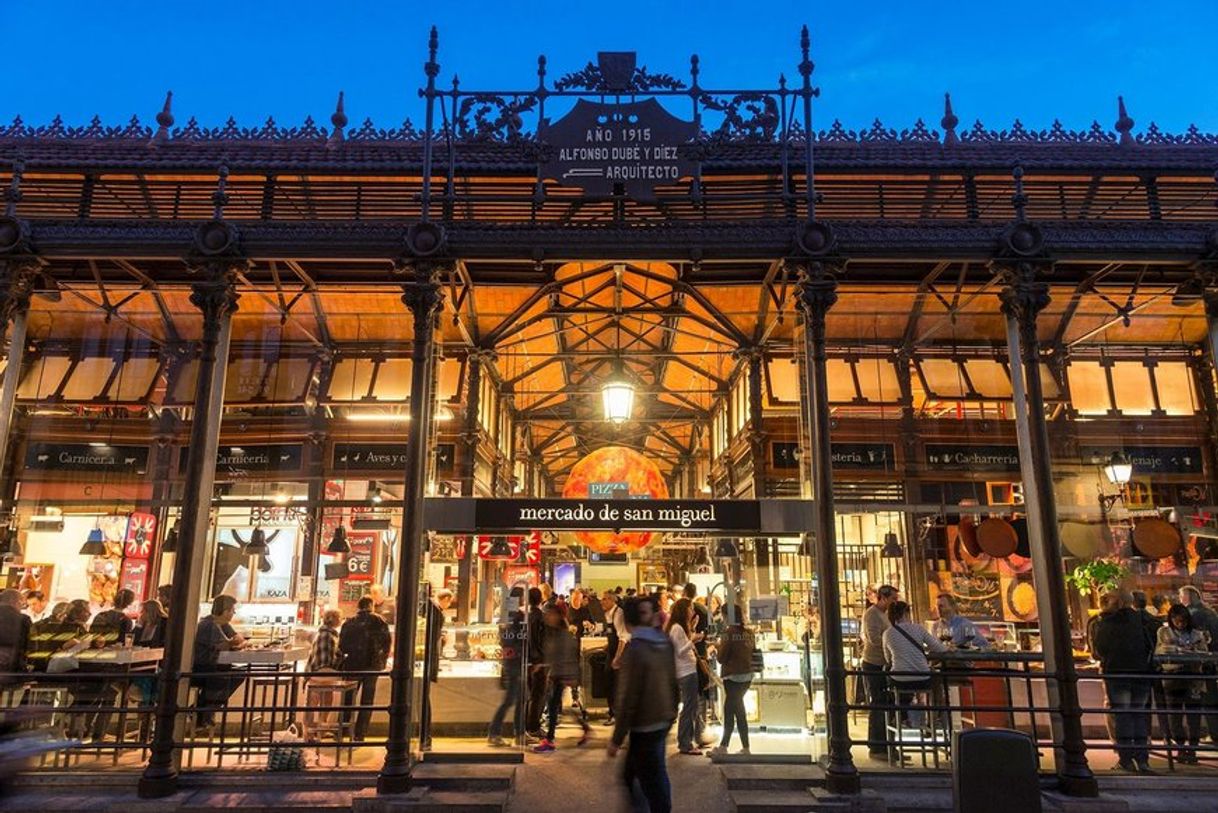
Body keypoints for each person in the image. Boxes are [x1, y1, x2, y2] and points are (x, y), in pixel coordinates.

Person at [608, 596, 678, 813]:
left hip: (644, 724)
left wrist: (617, 738)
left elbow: (628, 697)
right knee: (644, 773)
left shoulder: (636, 650)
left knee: (650, 778)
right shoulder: (664, 642)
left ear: (627, 623)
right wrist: (672, 712)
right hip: (662, 718)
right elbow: (673, 681)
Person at [1092, 589, 1155, 773]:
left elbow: (1100, 648)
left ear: (1117, 602)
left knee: (1122, 715)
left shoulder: (1107, 622)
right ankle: (1142, 759)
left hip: (1117, 672)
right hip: (1141, 673)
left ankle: (1126, 759)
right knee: (1139, 715)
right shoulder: (1143, 620)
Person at [1156, 603, 1211, 763]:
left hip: (1193, 678)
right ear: (1171, 620)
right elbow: (1160, 651)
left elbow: (1204, 653)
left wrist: (1194, 651)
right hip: (1173, 677)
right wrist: (1176, 650)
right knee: (1175, 717)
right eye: (1177, 621)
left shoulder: (1196, 634)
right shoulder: (1164, 632)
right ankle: (1180, 748)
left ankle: (1192, 749)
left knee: (1194, 717)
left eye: (1183, 621)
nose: (1180, 624)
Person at [882, 601, 947, 731]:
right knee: (937, 680)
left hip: (900, 680)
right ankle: (935, 717)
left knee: (896, 681)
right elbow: (939, 648)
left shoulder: (887, 633)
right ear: (906, 614)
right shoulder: (918, 629)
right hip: (922, 680)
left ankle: (901, 716)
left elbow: (888, 659)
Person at [534, 604, 590, 752]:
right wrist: (543, 665)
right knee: (555, 706)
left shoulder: (563, 635)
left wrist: (568, 676)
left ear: (557, 616)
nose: (547, 617)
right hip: (557, 674)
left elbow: (567, 656)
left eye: (550, 614)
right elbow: (553, 655)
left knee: (553, 706)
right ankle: (584, 728)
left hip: (561, 675)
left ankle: (550, 740)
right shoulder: (554, 633)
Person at [339, 596, 391, 741]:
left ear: (359, 606)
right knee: (367, 701)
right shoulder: (379, 621)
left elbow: (342, 646)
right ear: (371, 605)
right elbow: (387, 643)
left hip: (353, 665)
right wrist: (383, 660)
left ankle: (343, 731)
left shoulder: (349, 622)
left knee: (349, 699)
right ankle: (360, 734)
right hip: (372, 665)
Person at [191, 595, 247, 730]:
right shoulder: (208, 625)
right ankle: (203, 710)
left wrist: (234, 642)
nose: (233, 613)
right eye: (232, 610)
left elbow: (237, 638)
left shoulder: (222, 625)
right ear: (226, 611)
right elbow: (223, 645)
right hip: (201, 668)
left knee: (238, 674)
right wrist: (233, 643)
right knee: (225, 678)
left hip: (213, 665)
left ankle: (204, 708)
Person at [711, 604, 755, 757]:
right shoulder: (749, 632)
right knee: (738, 710)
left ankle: (723, 747)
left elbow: (722, 658)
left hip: (733, 677)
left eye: (723, 616)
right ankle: (745, 747)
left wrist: (716, 647)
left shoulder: (729, 633)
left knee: (730, 711)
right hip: (747, 676)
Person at [860, 585, 899, 756]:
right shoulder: (872, 614)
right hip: (874, 662)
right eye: (893, 599)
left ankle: (884, 744)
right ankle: (877, 745)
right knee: (878, 702)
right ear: (883, 597)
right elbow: (873, 638)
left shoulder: (882, 614)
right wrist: (890, 647)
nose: (895, 602)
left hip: (882, 662)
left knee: (884, 702)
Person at [1178, 586, 1218, 743]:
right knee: (1212, 697)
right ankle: (1214, 732)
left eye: (1181, 597)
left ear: (1186, 597)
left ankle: (1212, 734)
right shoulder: (1211, 613)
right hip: (1212, 660)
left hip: (1198, 662)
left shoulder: (1191, 615)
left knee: (1200, 699)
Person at [488, 586, 527, 746]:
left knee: (519, 699)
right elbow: (515, 639)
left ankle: (519, 733)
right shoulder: (516, 616)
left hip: (511, 661)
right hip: (515, 662)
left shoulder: (505, 615)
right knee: (512, 699)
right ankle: (495, 732)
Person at [664, 598, 703, 755]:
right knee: (689, 707)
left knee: (690, 706)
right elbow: (680, 650)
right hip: (686, 671)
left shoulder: (677, 627)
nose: (692, 611)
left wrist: (692, 630)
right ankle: (685, 743)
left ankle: (687, 740)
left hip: (686, 670)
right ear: (683, 610)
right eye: (690, 608)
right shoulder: (677, 628)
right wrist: (693, 639)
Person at [419, 587, 453, 750]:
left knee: (423, 697)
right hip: (427, 660)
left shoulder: (430, 610)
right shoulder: (435, 612)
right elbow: (432, 637)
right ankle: (425, 736)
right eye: (450, 601)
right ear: (445, 599)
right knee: (424, 697)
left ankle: (425, 736)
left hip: (426, 660)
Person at [683, 583, 712, 746]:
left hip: (694, 655)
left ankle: (696, 733)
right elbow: (708, 631)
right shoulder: (701, 609)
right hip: (698, 653)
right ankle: (698, 732)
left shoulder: (684, 608)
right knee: (698, 694)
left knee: (694, 696)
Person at [25, 602, 78, 672]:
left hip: (36, 665)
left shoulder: (37, 624)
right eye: (71, 616)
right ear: (61, 615)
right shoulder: (63, 628)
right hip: (54, 666)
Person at [524, 587, 548, 738]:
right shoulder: (540, 617)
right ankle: (533, 726)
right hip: (538, 661)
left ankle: (529, 725)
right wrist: (539, 660)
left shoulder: (527, 616)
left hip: (529, 660)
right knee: (538, 695)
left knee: (532, 695)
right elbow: (540, 641)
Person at [601, 589, 627, 727]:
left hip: (619, 656)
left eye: (605, 599)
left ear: (612, 600)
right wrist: (607, 645)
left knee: (615, 685)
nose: (602, 601)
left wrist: (617, 657)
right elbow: (614, 635)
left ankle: (616, 715)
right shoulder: (608, 614)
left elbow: (623, 637)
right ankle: (612, 712)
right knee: (608, 683)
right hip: (611, 652)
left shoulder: (619, 614)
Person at [0, 589, 30, 677]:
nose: (22, 606)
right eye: (22, 603)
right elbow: (28, 645)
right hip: (11, 668)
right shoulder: (23, 619)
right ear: (15, 601)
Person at [306, 609, 343, 673]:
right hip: (320, 674)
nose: (341, 620)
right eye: (339, 618)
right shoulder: (327, 635)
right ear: (333, 619)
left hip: (314, 672)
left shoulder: (324, 633)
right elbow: (325, 663)